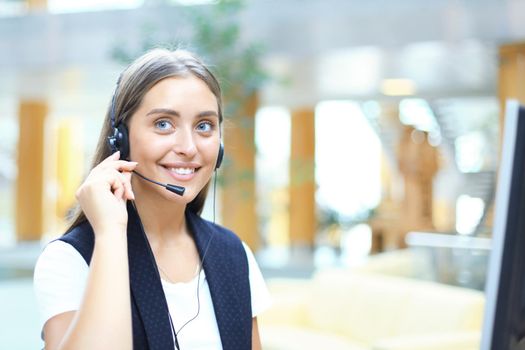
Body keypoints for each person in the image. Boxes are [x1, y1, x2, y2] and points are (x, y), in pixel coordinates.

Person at [33, 48, 271, 350]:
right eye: (163, 124)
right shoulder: (72, 259)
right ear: (121, 138)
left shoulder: (234, 255)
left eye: (204, 126)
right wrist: (110, 234)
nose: (188, 146)